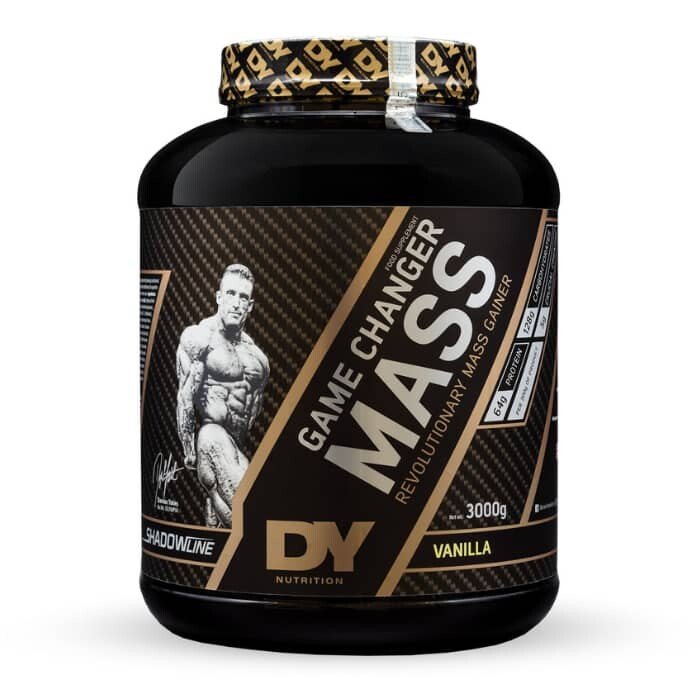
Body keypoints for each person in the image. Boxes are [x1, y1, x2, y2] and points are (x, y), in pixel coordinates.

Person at [176, 264, 269, 527]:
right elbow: (185, 397)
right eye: (230, 294)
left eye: (243, 297)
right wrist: (188, 448)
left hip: (235, 446)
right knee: (250, 512)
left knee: (229, 524)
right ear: (219, 297)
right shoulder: (199, 339)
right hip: (210, 436)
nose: (236, 303)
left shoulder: (258, 359)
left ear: (250, 306)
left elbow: (253, 408)